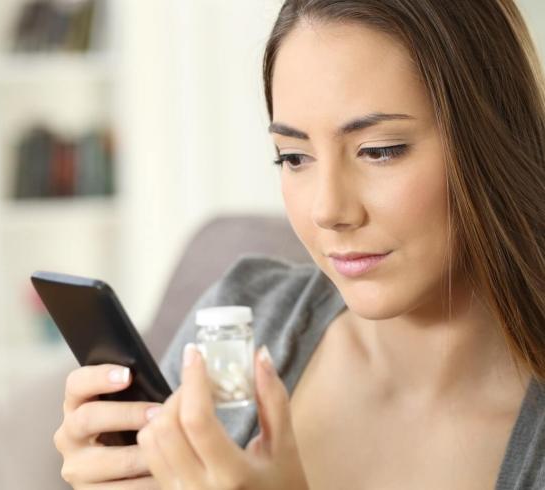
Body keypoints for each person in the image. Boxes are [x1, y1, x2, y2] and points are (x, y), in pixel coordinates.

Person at [52, 0, 545, 488]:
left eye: (379, 151)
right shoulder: (244, 314)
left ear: (493, 138)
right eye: (293, 157)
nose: (328, 210)